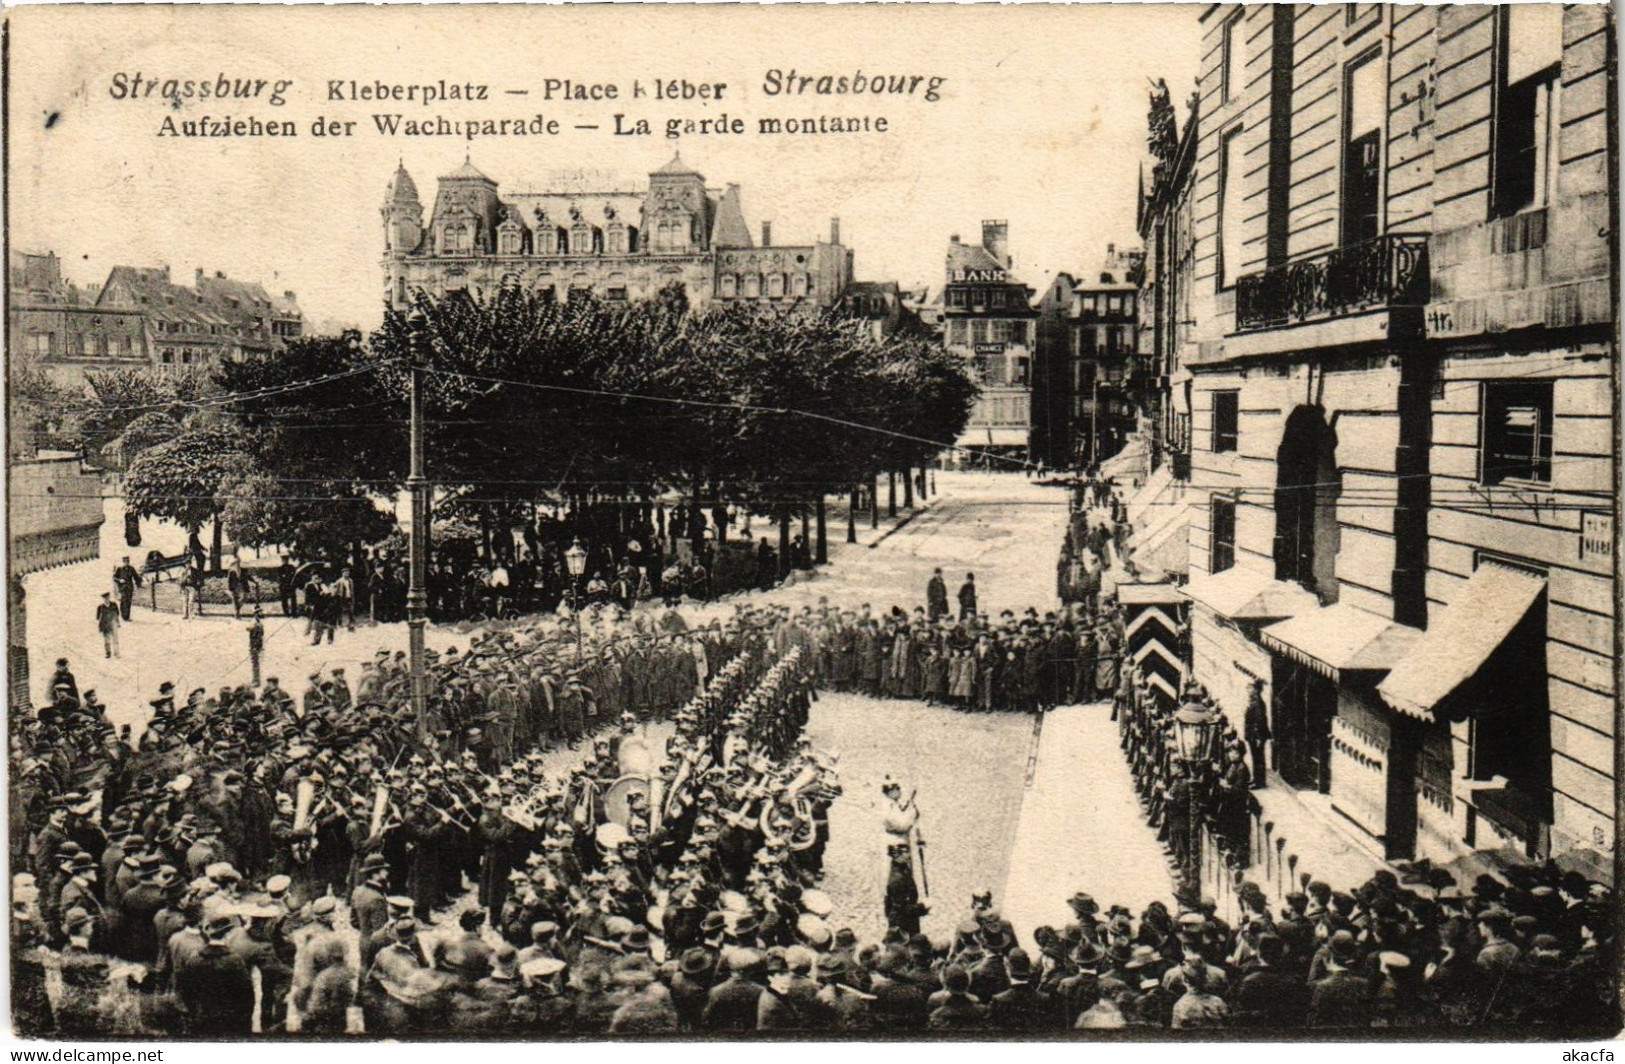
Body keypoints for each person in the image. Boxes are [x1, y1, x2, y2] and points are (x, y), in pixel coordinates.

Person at [1243, 678, 1270, 789]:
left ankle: (1259, 783)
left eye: (1250, 688)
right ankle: (1256, 779)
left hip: (1256, 735)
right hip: (1254, 735)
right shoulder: (1254, 701)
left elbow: (1260, 721)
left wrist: (1258, 737)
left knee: (1258, 759)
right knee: (1256, 758)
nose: (1248, 690)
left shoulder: (1258, 703)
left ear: (1256, 690)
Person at [112, 556, 141, 621]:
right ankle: (124, 616)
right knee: (124, 601)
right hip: (123, 588)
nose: (127, 563)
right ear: (123, 562)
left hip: (130, 588)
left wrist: (138, 584)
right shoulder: (120, 569)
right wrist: (120, 580)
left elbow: (136, 577)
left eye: (128, 561)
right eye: (125, 561)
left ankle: (127, 617)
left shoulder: (131, 569)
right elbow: (114, 577)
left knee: (129, 602)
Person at [96, 593, 121, 660]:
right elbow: (99, 618)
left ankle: (116, 653)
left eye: (108, 598)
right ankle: (108, 653)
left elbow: (117, 614)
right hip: (105, 625)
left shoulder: (114, 605)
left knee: (115, 639)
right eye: (105, 598)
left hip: (113, 624)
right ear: (103, 599)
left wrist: (118, 622)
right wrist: (100, 627)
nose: (107, 599)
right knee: (107, 640)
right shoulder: (100, 607)